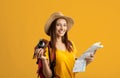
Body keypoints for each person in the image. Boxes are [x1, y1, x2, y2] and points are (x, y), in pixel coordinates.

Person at [34, 12, 95, 78]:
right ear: (53, 27)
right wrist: (43, 60)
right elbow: (48, 76)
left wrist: (86, 61)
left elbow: (73, 70)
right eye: (58, 25)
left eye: (64, 25)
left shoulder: (71, 45)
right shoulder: (48, 48)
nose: (62, 28)